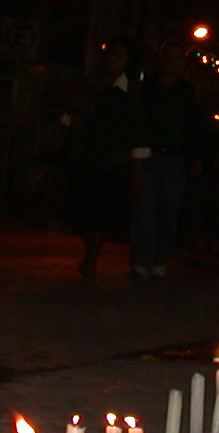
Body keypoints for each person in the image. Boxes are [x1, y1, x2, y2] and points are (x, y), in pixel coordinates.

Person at [63, 38, 143, 283]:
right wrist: (73, 123)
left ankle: (92, 258)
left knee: (102, 213)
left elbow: (138, 128)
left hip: (114, 162)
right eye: (112, 54)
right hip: (86, 157)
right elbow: (68, 115)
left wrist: (138, 164)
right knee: (83, 213)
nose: (114, 60)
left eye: (120, 55)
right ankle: (90, 252)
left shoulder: (131, 90)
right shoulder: (91, 83)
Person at [129, 40, 206, 282]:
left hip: (175, 158)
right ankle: (141, 261)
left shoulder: (188, 92)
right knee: (145, 211)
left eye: (178, 58)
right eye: (169, 57)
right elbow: (138, 124)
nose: (173, 62)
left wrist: (196, 157)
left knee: (168, 212)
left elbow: (196, 127)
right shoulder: (148, 90)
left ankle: (159, 261)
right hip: (150, 156)